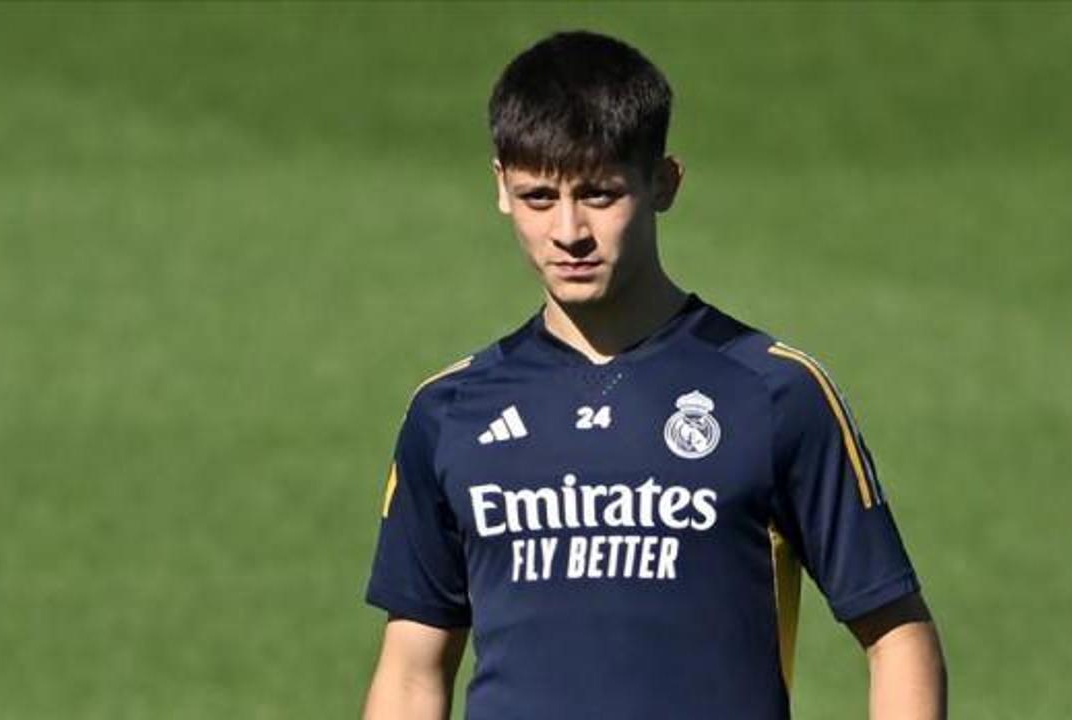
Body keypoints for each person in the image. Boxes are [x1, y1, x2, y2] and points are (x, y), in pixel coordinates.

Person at [362, 30, 946, 720]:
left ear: (663, 182)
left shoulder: (775, 393)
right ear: (501, 188)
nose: (569, 231)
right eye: (538, 197)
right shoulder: (450, 411)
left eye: (600, 194)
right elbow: (412, 672)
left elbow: (897, 636)